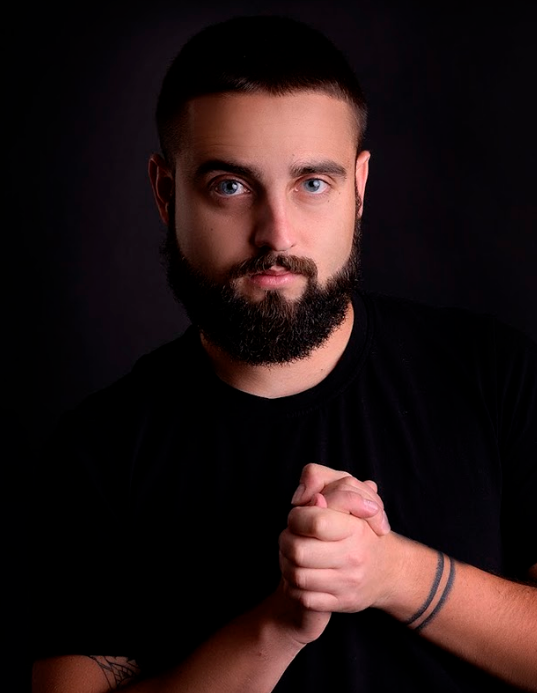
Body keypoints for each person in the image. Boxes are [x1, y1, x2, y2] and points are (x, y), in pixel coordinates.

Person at [30, 14, 537, 693]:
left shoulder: (494, 375)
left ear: (359, 186)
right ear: (165, 193)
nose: (277, 233)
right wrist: (277, 626)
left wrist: (394, 574)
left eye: (312, 183)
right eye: (230, 186)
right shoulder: (97, 452)